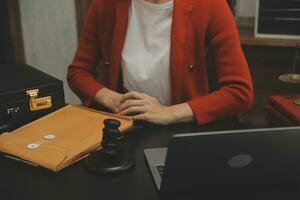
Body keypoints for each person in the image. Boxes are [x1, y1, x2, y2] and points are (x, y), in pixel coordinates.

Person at [67, 0, 253, 125]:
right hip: (126, 126)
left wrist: (169, 113)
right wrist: (111, 99)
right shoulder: (106, 5)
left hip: (183, 129)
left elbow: (240, 92)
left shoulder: (210, 5)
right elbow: (78, 72)